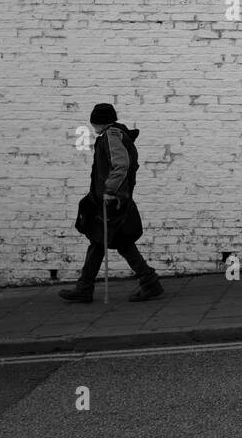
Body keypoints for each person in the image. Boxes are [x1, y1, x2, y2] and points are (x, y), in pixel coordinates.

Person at [60, 103, 164, 303]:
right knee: (105, 241)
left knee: (107, 241)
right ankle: (147, 282)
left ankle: (147, 283)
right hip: (114, 198)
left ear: (98, 122)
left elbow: (121, 164)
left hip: (112, 199)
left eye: (94, 123)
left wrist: (109, 190)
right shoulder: (117, 134)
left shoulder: (111, 136)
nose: (93, 127)